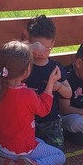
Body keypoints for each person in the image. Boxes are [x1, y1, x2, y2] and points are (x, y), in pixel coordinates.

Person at [0, 41, 66, 165]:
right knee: (60, 155)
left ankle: (5, 160)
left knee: (40, 142)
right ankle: (36, 164)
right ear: (26, 71)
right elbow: (44, 109)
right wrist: (51, 83)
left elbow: (0, 63)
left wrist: (29, 47)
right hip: (22, 151)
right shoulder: (27, 95)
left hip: (0, 146)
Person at [23, 15, 72, 148]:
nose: (42, 53)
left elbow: (69, 93)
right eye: (38, 48)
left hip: (51, 121)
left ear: (53, 44)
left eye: (47, 48)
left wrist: (59, 86)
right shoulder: (24, 66)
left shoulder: (55, 67)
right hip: (28, 120)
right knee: (27, 148)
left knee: (56, 149)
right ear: (29, 43)